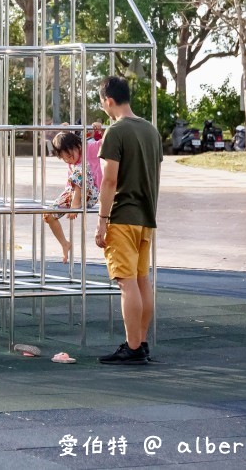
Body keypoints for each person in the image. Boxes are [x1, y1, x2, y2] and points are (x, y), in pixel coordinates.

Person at [94, 76, 162, 365]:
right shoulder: (151, 131)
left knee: (126, 283)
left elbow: (109, 181)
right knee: (142, 280)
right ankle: (141, 341)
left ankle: (133, 347)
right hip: (146, 217)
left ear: (108, 100)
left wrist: (102, 221)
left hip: (123, 216)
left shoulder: (116, 132)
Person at [43, 123, 103, 263]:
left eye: (71, 155)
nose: (70, 160)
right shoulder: (72, 161)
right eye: (65, 159)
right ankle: (65, 244)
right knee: (48, 215)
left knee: (80, 168)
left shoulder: (89, 149)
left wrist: (99, 130)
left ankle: (76, 203)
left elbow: (107, 141)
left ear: (78, 146)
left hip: (91, 192)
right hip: (73, 192)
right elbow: (71, 183)